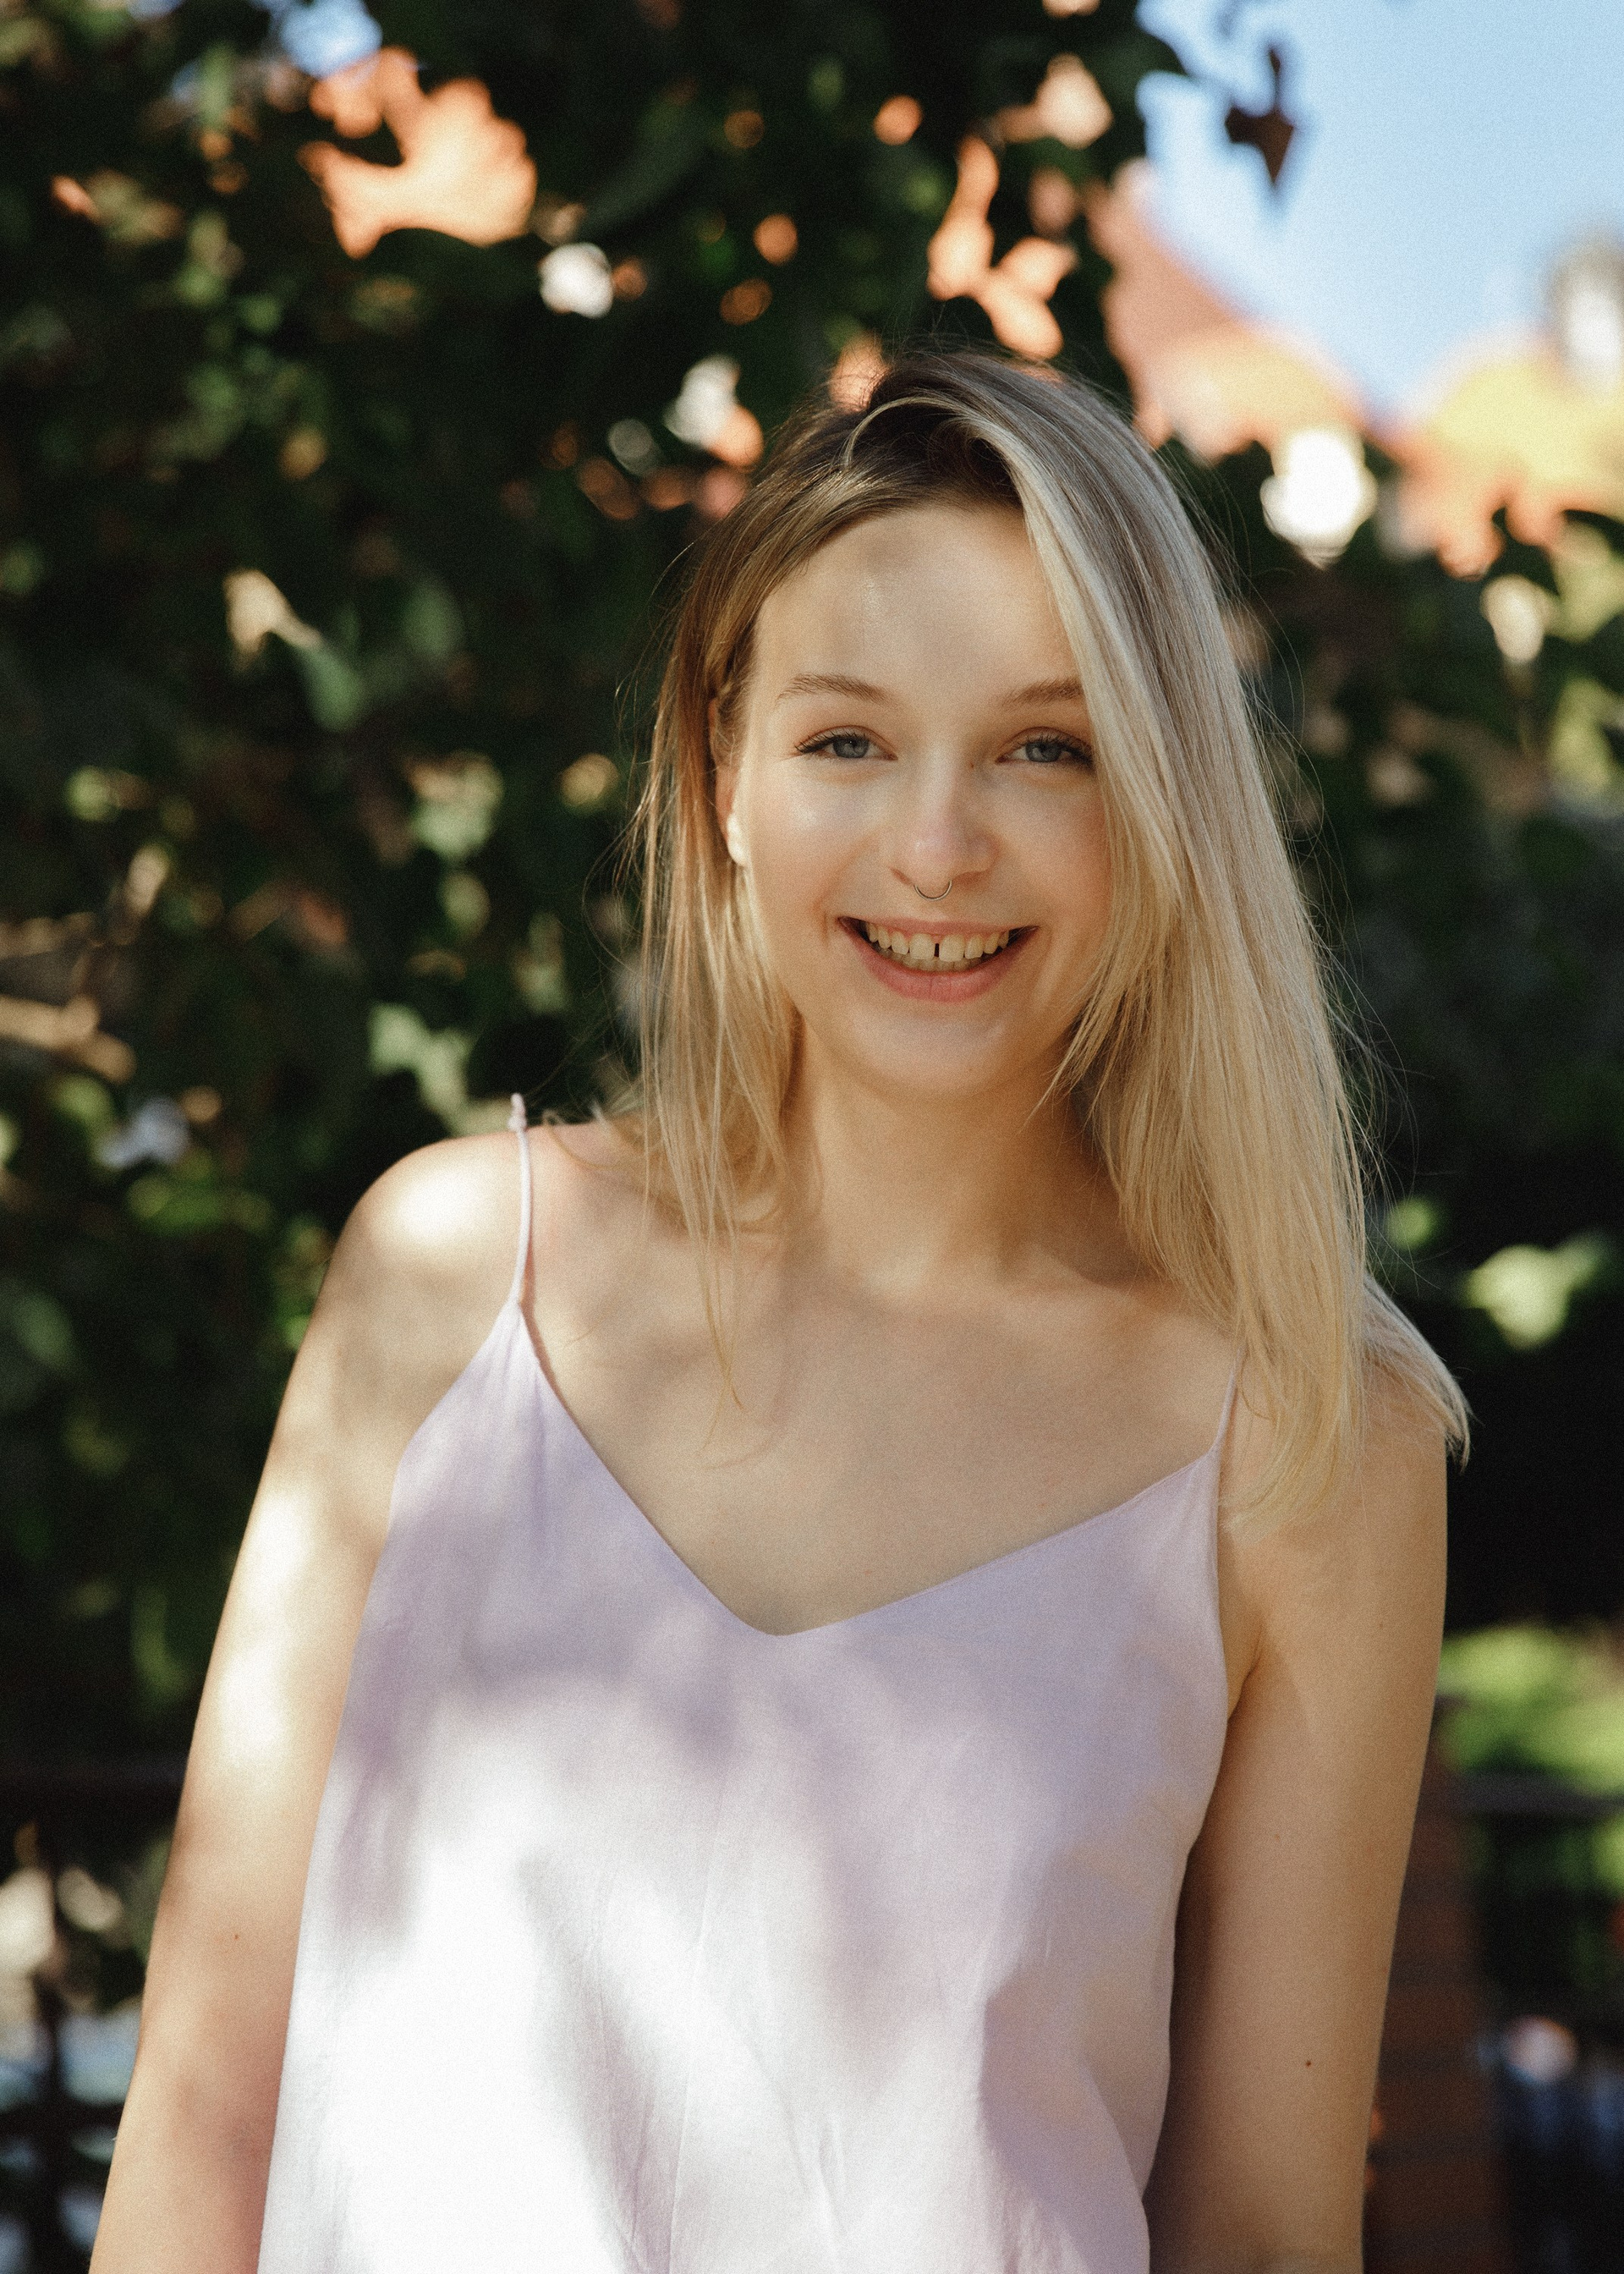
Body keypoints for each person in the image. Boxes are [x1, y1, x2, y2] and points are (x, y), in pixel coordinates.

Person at [94, 353, 1464, 2274]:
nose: (938, 845)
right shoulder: (453, 1278)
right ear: (721, 776)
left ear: (1160, 807)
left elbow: (1261, 2234)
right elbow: (200, 2117)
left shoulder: (1313, 1435)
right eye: (847, 741)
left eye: (1047, 750)